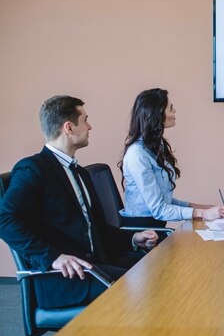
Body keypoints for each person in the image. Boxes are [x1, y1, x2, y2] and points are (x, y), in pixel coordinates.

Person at [0, 95, 158, 309]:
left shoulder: (80, 173)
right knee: (144, 289)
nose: (90, 126)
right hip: (64, 278)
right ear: (69, 127)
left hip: (95, 264)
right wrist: (52, 257)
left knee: (158, 271)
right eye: (85, 119)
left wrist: (133, 238)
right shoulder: (33, 169)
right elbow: (4, 219)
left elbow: (97, 231)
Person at [119, 88, 224, 223]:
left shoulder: (156, 147)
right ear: (156, 114)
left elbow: (165, 200)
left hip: (154, 225)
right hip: (143, 230)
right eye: (171, 108)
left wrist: (201, 208)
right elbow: (159, 210)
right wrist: (202, 213)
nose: (175, 111)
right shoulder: (137, 155)